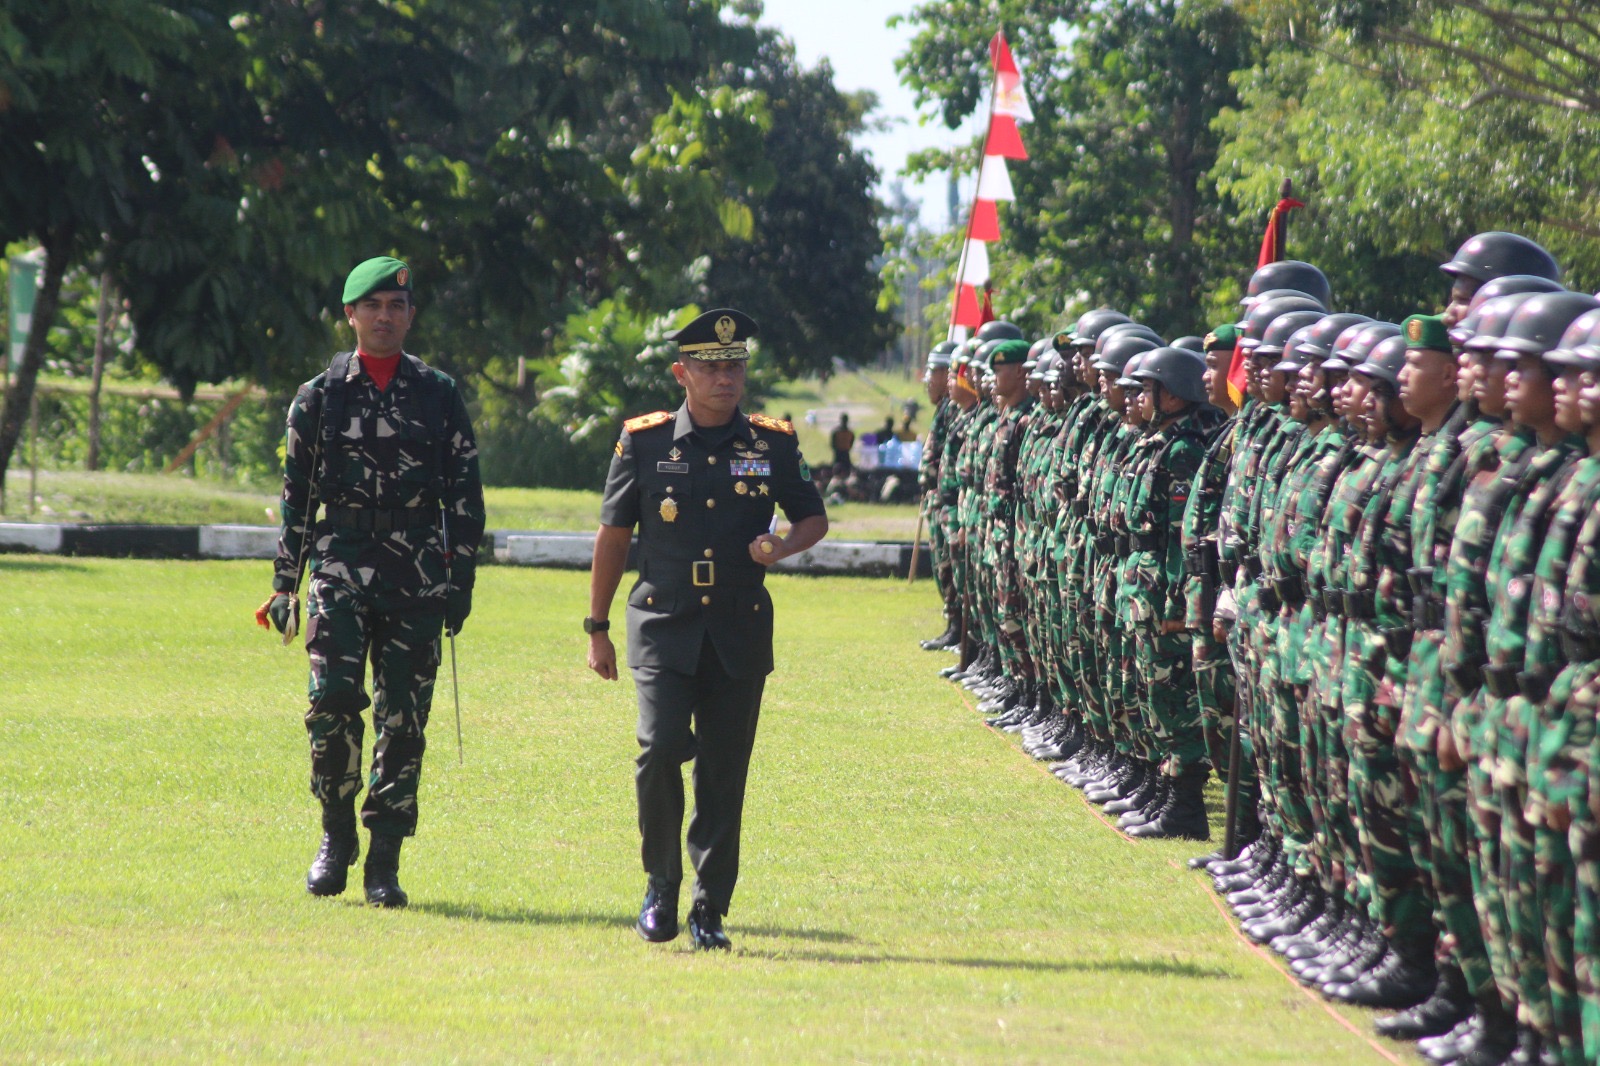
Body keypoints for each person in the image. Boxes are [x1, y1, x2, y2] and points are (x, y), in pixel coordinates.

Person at [585, 307, 829, 950]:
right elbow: (613, 536)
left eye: (735, 365)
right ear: (682, 372)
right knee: (659, 748)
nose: (726, 377)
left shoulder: (772, 442)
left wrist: (781, 545)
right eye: (711, 366)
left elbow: (812, 519)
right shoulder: (644, 440)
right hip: (663, 623)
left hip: (738, 629)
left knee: (724, 772)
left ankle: (709, 909)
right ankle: (660, 886)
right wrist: (597, 626)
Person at [259, 256, 485, 908]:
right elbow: (296, 498)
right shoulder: (319, 396)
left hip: (416, 571)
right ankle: (335, 834)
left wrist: (460, 579)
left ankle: (384, 856)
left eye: (397, 305)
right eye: (373, 306)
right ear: (350, 314)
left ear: (411, 315)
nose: (385, 317)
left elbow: (465, 495)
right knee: (330, 704)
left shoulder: (438, 394)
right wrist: (285, 584)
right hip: (340, 564)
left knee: (403, 719)